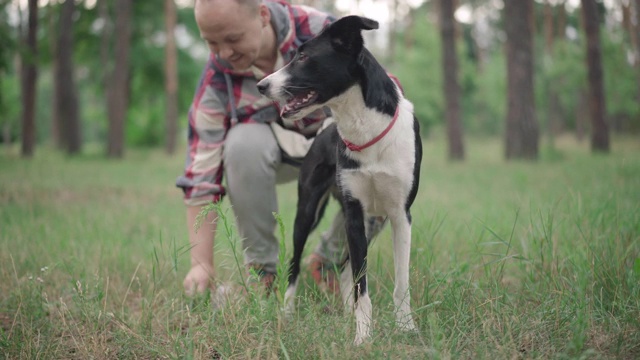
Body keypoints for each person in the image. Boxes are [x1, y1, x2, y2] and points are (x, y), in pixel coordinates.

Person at [176, 0, 348, 296]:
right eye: (211, 42)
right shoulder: (215, 78)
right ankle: (262, 272)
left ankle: (329, 260)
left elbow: (375, 98)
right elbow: (200, 174)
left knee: (384, 157)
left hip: (338, 146)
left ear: (263, 15)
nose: (224, 53)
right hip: (274, 152)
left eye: (232, 39)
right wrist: (201, 263)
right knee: (242, 143)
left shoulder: (322, 31)